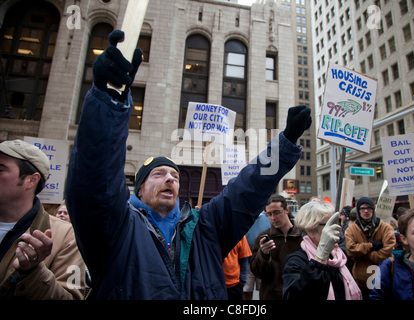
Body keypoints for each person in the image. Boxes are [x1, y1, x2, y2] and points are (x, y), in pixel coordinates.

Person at [64, 30, 312, 300]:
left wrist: (284, 144)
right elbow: (94, 185)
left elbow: (248, 188)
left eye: (175, 175)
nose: (170, 178)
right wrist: (108, 100)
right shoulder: (117, 228)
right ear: (139, 189)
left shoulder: (205, 226)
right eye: (159, 174)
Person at [0, 140, 86, 299]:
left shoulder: (67, 237)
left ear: (31, 180)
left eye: (1, 169)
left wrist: (32, 272)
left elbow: (71, 296)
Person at [283, 201, 361, 300]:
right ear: (311, 231)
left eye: (337, 223)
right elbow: (294, 296)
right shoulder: (296, 262)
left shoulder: (339, 257)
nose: (336, 229)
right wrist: (321, 257)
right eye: (329, 225)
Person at [249, 194, 303, 300]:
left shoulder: (302, 236)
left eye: (277, 212)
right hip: (271, 295)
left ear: (286, 210)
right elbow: (257, 272)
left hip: (298, 294)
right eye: (269, 214)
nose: (273, 218)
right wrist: (263, 255)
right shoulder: (263, 238)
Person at [344, 196, 396, 299]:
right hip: (361, 280)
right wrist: (372, 245)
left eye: (369, 208)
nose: (366, 211)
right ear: (358, 211)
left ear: (373, 209)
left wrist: (363, 255)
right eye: (363, 208)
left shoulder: (386, 228)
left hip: (383, 277)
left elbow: (388, 253)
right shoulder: (351, 230)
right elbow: (351, 250)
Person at [243, 211, 271, 300]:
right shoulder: (245, 217)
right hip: (246, 261)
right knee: (246, 291)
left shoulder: (267, 219)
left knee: (265, 290)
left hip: (263, 261)